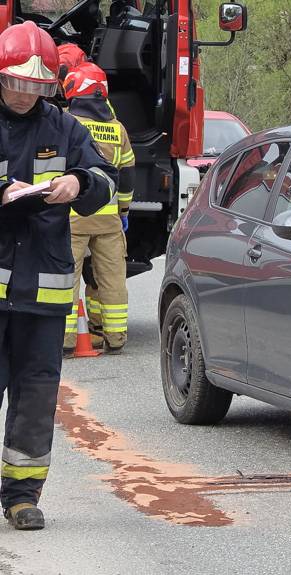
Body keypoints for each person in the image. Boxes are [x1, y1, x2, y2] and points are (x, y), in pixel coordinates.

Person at [0, 21, 117, 530]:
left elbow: (107, 180)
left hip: (43, 296)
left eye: (37, 86)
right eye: (17, 84)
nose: (26, 95)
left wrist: (81, 181)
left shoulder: (65, 128)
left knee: (36, 398)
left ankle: (22, 496)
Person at [62, 62, 135, 355]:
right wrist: (125, 210)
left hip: (73, 219)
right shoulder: (118, 129)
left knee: (65, 278)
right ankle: (115, 338)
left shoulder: (66, 123)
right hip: (109, 221)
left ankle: (65, 341)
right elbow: (127, 173)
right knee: (112, 280)